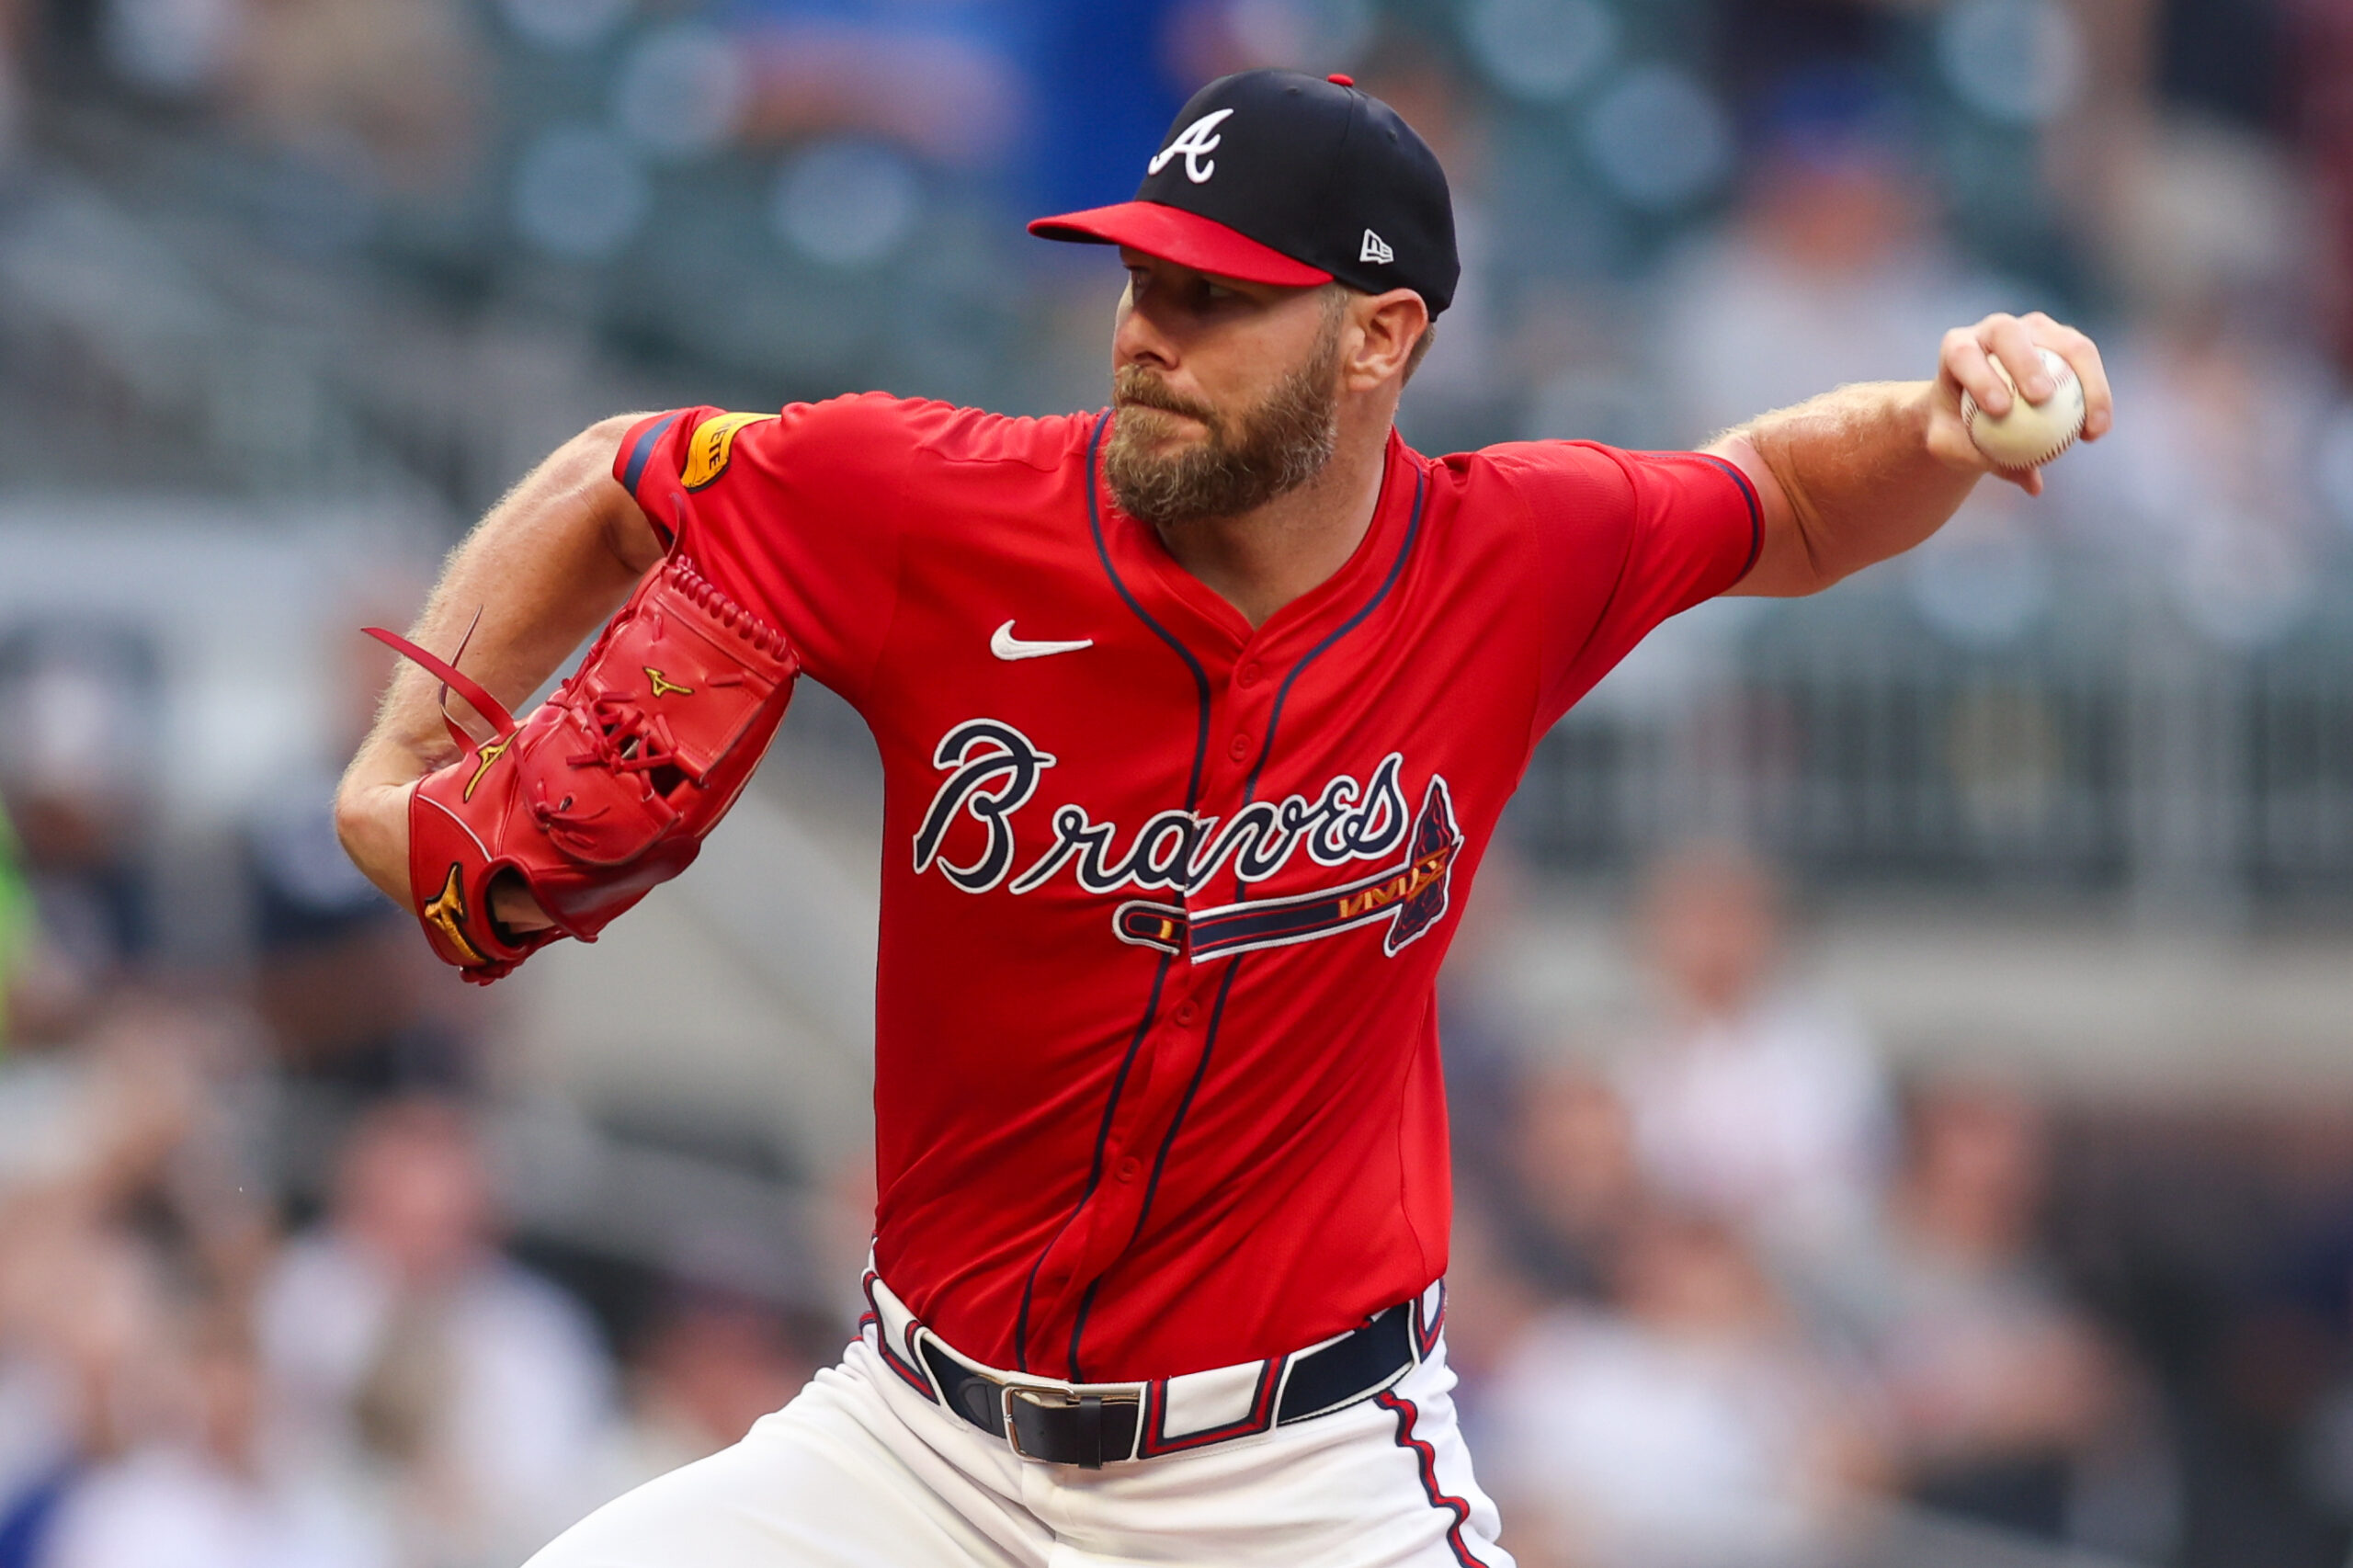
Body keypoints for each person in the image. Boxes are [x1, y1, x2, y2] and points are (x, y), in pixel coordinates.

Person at [333, 66, 2112, 1568]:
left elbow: (1784, 499)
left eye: (1213, 299)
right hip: (912, 1444)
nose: (1144, 335)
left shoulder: (1512, 551)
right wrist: (405, 763)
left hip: (1296, 1477)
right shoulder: (919, 501)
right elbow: (613, 472)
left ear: (1376, 336)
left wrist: (1940, 416)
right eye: (1138, 282)